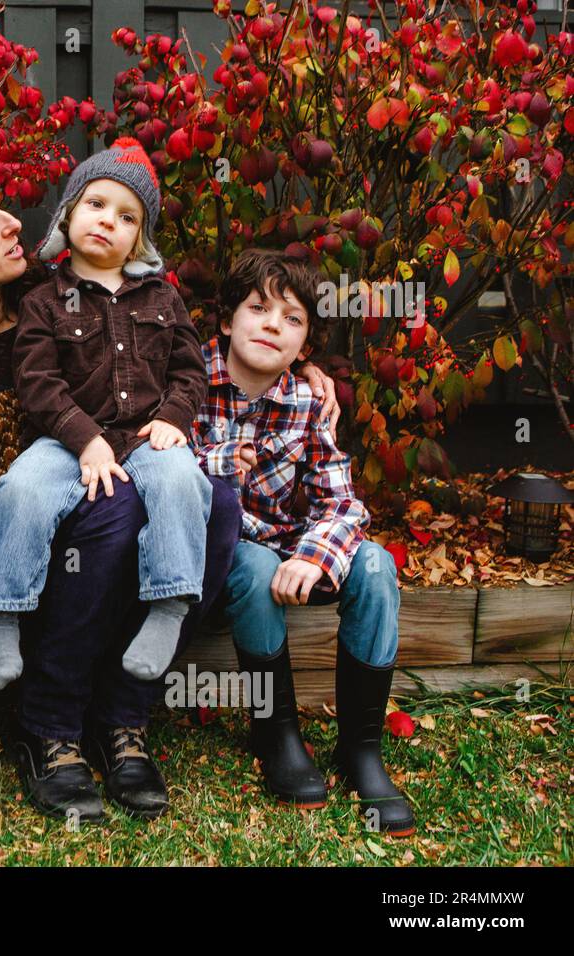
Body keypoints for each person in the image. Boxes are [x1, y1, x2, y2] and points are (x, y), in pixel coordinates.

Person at [0, 153, 241, 821]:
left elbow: (172, 359)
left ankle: (122, 715)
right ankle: (50, 723)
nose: (15, 223)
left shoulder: (59, 292)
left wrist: (295, 380)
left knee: (215, 503)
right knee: (115, 506)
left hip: (85, 493)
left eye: (2, 209)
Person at [0, 136, 212, 693]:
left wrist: (176, 418)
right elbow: (37, 381)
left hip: (147, 434)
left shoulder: (162, 298)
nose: (108, 221)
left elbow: (189, 371)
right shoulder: (44, 300)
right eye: (96, 204)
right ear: (68, 212)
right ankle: (3, 615)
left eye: (127, 216)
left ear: (139, 240)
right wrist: (84, 438)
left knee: (184, 483)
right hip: (65, 439)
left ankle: (169, 607)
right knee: (20, 491)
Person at [191, 248, 413, 836]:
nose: (272, 325)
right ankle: (276, 734)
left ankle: (361, 749)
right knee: (253, 558)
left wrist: (314, 558)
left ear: (306, 343)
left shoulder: (309, 399)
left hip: (291, 547)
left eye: (292, 319)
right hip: (220, 561)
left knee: (374, 567)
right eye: (258, 308)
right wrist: (220, 461)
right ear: (225, 319)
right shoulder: (186, 378)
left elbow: (340, 502)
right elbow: (161, 462)